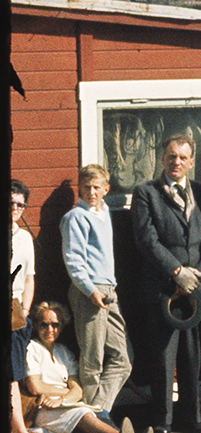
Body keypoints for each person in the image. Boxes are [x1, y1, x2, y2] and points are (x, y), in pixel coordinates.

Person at [130, 135, 201, 433]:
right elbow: (146, 240)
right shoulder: (146, 193)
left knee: (192, 357)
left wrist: (199, 273)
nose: (176, 162)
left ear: (191, 162)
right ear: (162, 159)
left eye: (182, 157)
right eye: (171, 156)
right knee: (163, 357)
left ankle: (191, 417)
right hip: (162, 287)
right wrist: (177, 272)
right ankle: (162, 420)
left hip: (196, 288)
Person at [23, 301, 149, 433]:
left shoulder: (63, 352)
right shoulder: (32, 348)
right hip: (42, 408)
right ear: (37, 326)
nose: (49, 329)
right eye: (44, 325)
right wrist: (65, 393)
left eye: (55, 325)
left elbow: (78, 390)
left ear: (61, 327)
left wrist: (63, 399)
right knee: (82, 414)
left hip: (63, 403)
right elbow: (35, 387)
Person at [60, 163, 132, 414]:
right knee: (92, 360)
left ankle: (98, 412)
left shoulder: (104, 212)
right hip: (88, 292)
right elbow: (74, 260)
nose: (91, 192)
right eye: (86, 187)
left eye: (96, 187)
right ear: (79, 189)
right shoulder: (74, 218)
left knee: (122, 360)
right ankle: (90, 426)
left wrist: (108, 288)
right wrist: (91, 290)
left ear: (106, 189)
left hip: (109, 289)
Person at [10, 179, 49, 433]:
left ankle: (20, 430)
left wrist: (24, 310)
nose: (14, 208)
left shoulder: (24, 238)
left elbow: (29, 278)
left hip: (14, 309)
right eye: (10, 202)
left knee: (12, 372)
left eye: (20, 204)